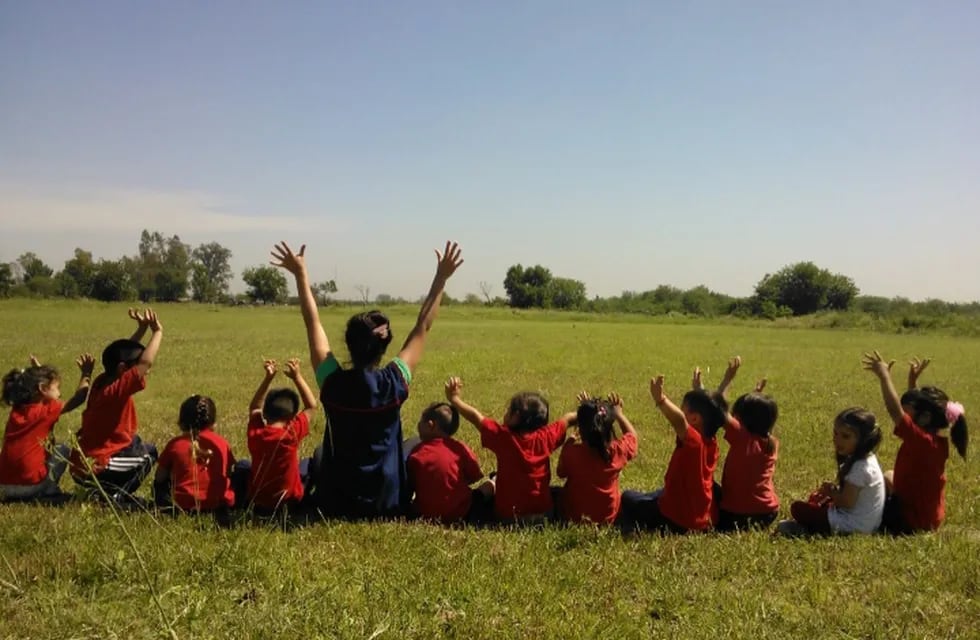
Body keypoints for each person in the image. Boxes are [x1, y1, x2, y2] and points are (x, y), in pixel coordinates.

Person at [270, 240, 463, 519]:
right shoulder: (394, 381)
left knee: (321, 452)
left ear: (348, 344)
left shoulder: (332, 382)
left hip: (336, 501)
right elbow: (423, 325)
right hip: (387, 501)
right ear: (385, 347)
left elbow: (313, 323)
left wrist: (301, 274)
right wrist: (441, 277)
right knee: (413, 445)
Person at [445, 376, 576, 524]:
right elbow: (569, 418)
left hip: (507, 517)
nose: (505, 413)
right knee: (557, 492)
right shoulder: (547, 437)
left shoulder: (503, 437)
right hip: (544, 515)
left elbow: (476, 417)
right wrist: (592, 411)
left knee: (487, 493)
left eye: (508, 410)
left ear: (516, 417)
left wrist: (454, 399)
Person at [863, 351, 968, 533]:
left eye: (908, 411)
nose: (905, 415)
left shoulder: (922, 442)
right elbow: (920, 409)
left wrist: (884, 376)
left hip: (913, 521)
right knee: (889, 475)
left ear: (925, 418)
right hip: (930, 516)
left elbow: (894, 410)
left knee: (873, 489)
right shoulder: (935, 441)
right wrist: (913, 382)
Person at [70, 309, 162, 503]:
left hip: (81, 466)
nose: (140, 370)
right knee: (149, 453)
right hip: (96, 466)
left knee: (134, 441)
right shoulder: (116, 391)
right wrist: (157, 332)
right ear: (123, 370)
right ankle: (114, 497)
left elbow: (122, 353)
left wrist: (141, 329)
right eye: (134, 366)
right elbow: (146, 362)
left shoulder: (103, 380)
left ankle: (101, 490)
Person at [619, 375, 727, 534]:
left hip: (677, 520)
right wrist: (699, 389)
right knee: (659, 493)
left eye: (683, 408)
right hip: (703, 517)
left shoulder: (694, 442)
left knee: (628, 498)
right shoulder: (712, 443)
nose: (680, 409)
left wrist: (661, 399)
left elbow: (679, 421)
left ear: (695, 418)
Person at [0, 353, 94, 501]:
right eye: (57, 388)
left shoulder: (17, 410)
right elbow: (78, 398)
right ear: (42, 389)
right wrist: (86, 373)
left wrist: (38, 371)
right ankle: (49, 489)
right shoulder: (46, 411)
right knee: (63, 449)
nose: (60, 392)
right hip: (29, 487)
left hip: (4, 486)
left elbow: (38, 390)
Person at [783, 407, 885, 535]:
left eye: (845, 436)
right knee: (818, 499)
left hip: (853, 526)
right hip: (863, 522)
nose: (837, 440)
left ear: (863, 440)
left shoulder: (861, 468)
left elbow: (846, 503)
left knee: (798, 508)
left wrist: (831, 493)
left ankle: (804, 530)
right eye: (835, 433)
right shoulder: (867, 459)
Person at [705, 357, 780, 531]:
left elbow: (717, 407)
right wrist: (757, 395)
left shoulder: (741, 436)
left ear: (740, 419)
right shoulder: (772, 442)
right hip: (768, 512)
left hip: (735, 516)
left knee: (705, 484)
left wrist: (728, 379)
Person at [242, 358, 317, 514]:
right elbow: (311, 406)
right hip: (290, 504)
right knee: (307, 463)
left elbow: (255, 407)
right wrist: (297, 377)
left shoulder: (257, 434)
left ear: (265, 414)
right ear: (292, 417)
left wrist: (268, 378)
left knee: (243, 464)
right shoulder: (292, 433)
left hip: (259, 504)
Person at [556, 392, 638, 525]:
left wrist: (569, 442)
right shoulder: (618, 451)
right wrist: (619, 414)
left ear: (580, 429)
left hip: (573, 516)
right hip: (608, 517)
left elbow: (560, 473)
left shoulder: (571, 452)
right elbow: (632, 436)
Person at [406, 400, 493, 523]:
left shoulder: (416, 453)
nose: (418, 425)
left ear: (431, 425)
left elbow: (411, 482)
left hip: (425, 513)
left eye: (421, 421)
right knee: (489, 485)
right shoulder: (459, 448)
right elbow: (474, 476)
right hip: (463, 512)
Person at [153, 395, 236, 516]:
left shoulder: (175, 444)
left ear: (182, 422)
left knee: (160, 483)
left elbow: (159, 477)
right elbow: (227, 473)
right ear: (212, 422)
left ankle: (164, 508)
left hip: (183, 506)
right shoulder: (221, 443)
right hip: (219, 505)